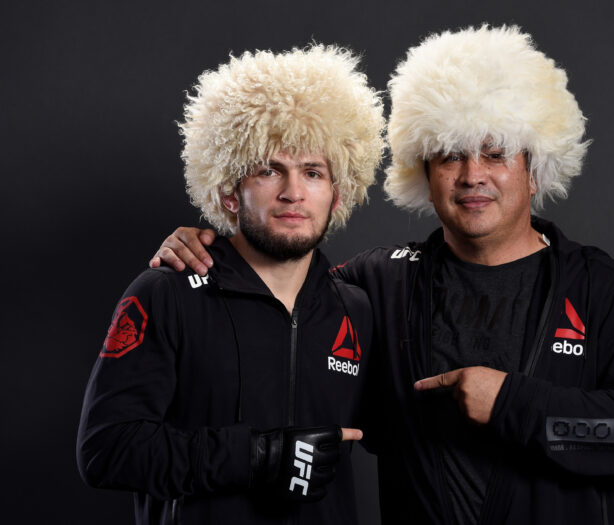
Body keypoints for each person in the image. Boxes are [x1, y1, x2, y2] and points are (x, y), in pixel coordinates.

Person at [151, 26, 614, 524]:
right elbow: (277, 296)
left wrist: (512, 403)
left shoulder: (599, 286)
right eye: (450, 155)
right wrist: (211, 244)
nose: (472, 175)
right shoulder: (377, 283)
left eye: (496, 152)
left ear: (535, 169)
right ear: (424, 173)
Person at [77, 45, 385, 525]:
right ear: (229, 191)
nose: (293, 192)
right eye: (269, 170)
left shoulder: (356, 310)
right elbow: (106, 449)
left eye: (313, 172)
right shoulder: (167, 293)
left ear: (337, 193)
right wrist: (257, 456)